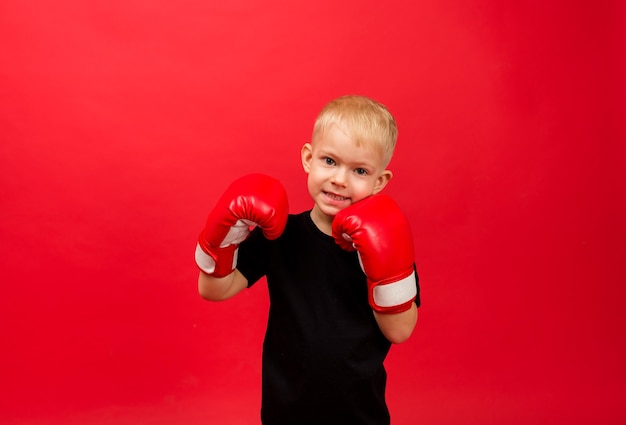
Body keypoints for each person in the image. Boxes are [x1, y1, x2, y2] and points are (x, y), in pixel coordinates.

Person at [195, 95, 421, 425]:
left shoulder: (385, 241)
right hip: (286, 409)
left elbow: (400, 332)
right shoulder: (281, 234)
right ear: (308, 158)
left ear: (380, 182)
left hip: (360, 413)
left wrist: (384, 265)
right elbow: (213, 290)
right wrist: (226, 236)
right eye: (329, 161)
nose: (340, 179)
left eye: (359, 170)